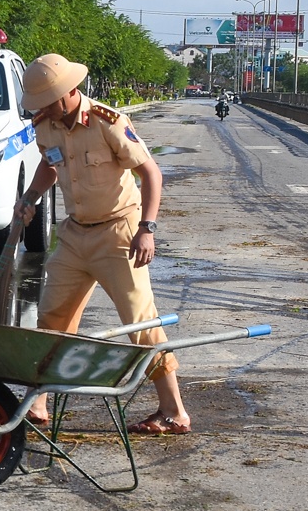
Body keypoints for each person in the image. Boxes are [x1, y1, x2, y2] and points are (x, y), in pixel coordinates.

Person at [13, 54, 192, 434]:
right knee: (51, 319)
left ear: (68, 93)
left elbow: (150, 172)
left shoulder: (108, 122)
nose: (42, 109)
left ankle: (173, 410)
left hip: (119, 233)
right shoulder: (46, 125)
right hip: (75, 235)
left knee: (140, 322)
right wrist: (30, 198)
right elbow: (50, 164)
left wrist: (148, 228)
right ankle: (38, 404)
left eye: (47, 102)